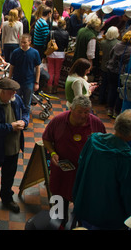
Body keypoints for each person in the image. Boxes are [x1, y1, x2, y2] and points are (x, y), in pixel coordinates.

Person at [42, 95, 106, 223]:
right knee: (59, 208)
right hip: (62, 173)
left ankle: (79, 224)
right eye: (80, 112)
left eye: (87, 112)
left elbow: (103, 145)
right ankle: (59, 223)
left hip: (85, 174)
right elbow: (47, 139)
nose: (83, 115)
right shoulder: (58, 121)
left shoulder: (96, 124)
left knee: (83, 206)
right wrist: (53, 152)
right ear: (71, 109)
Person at [72, 109, 131, 230]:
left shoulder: (93, 140)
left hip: (85, 205)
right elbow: (128, 192)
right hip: (108, 217)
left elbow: (81, 165)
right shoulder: (126, 158)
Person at [0, 78, 30, 213]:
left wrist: (24, 122)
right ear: (2, 92)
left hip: (13, 147)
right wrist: (11, 127)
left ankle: (7, 198)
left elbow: (25, 111)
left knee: (9, 175)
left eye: (14, 92)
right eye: (11, 92)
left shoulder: (16, 100)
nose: (14, 94)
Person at [9, 34, 41, 113]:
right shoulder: (15, 52)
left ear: (29, 42)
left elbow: (38, 68)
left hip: (29, 81)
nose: (22, 44)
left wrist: (36, 82)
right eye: (21, 42)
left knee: (27, 103)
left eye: (25, 42)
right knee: (15, 102)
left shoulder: (35, 53)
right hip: (17, 81)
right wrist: (9, 79)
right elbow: (12, 66)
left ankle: (25, 119)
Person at [106, 31, 131, 118]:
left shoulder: (117, 45)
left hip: (111, 70)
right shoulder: (130, 50)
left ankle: (109, 109)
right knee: (120, 93)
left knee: (112, 89)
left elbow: (111, 55)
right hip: (121, 73)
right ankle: (116, 112)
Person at [46, 18, 70, 94]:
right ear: (64, 25)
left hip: (51, 53)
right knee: (57, 72)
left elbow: (47, 42)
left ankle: (49, 87)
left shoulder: (51, 32)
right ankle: (55, 88)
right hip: (60, 54)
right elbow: (66, 45)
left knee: (51, 71)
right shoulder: (66, 33)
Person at [99, 26, 119, 106]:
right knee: (111, 86)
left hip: (103, 66)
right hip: (113, 68)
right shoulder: (117, 44)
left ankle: (101, 99)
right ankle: (109, 103)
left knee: (103, 84)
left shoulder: (103, 42)